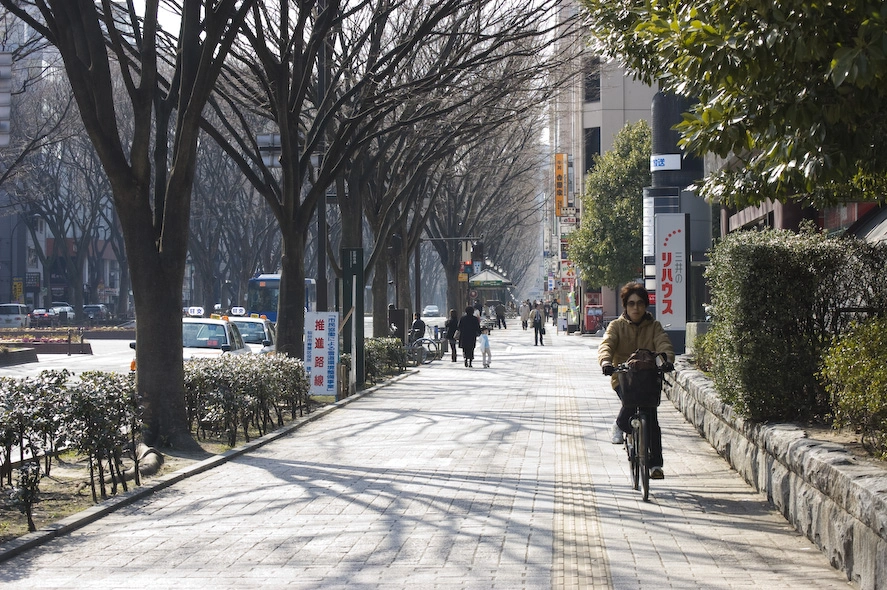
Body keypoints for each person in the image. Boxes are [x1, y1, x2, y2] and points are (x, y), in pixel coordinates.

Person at [598, 282, 674, 480]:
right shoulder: (616, 326)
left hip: (648, 378)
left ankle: (655, 465)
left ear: (646, 305)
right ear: (625, 306)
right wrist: (606, 361)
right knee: (631, 401)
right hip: (624, 377)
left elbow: (663, 343)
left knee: (652, 418)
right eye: (631, 303)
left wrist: (667, 360)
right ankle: (621, 423)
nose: (636, 308)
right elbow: (606, 344)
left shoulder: (654, 326)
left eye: (640, 303)